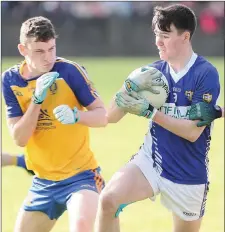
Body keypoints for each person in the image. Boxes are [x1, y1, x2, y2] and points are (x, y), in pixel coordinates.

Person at [94, 4, 220, 232]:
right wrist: (128, 86)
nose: (158, 42)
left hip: (189, 174)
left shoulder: (205, 74)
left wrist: (150, 112)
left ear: (185, 37)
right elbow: (110, 116)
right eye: (156, 35)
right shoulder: (152, 74)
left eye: (165, 35)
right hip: (151, 161)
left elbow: (192, 133)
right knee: (108, 201)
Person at [2, 16, 107, 232]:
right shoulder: (10, 81)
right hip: (43, 182)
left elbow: (101, 116)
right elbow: (20, 138)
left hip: (81, 176)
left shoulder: (69, 72)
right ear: (23, 49)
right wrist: (37, 100)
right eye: (40, 51)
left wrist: (77, 116)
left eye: (52, 49)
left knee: (81, 227)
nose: (48, 57)